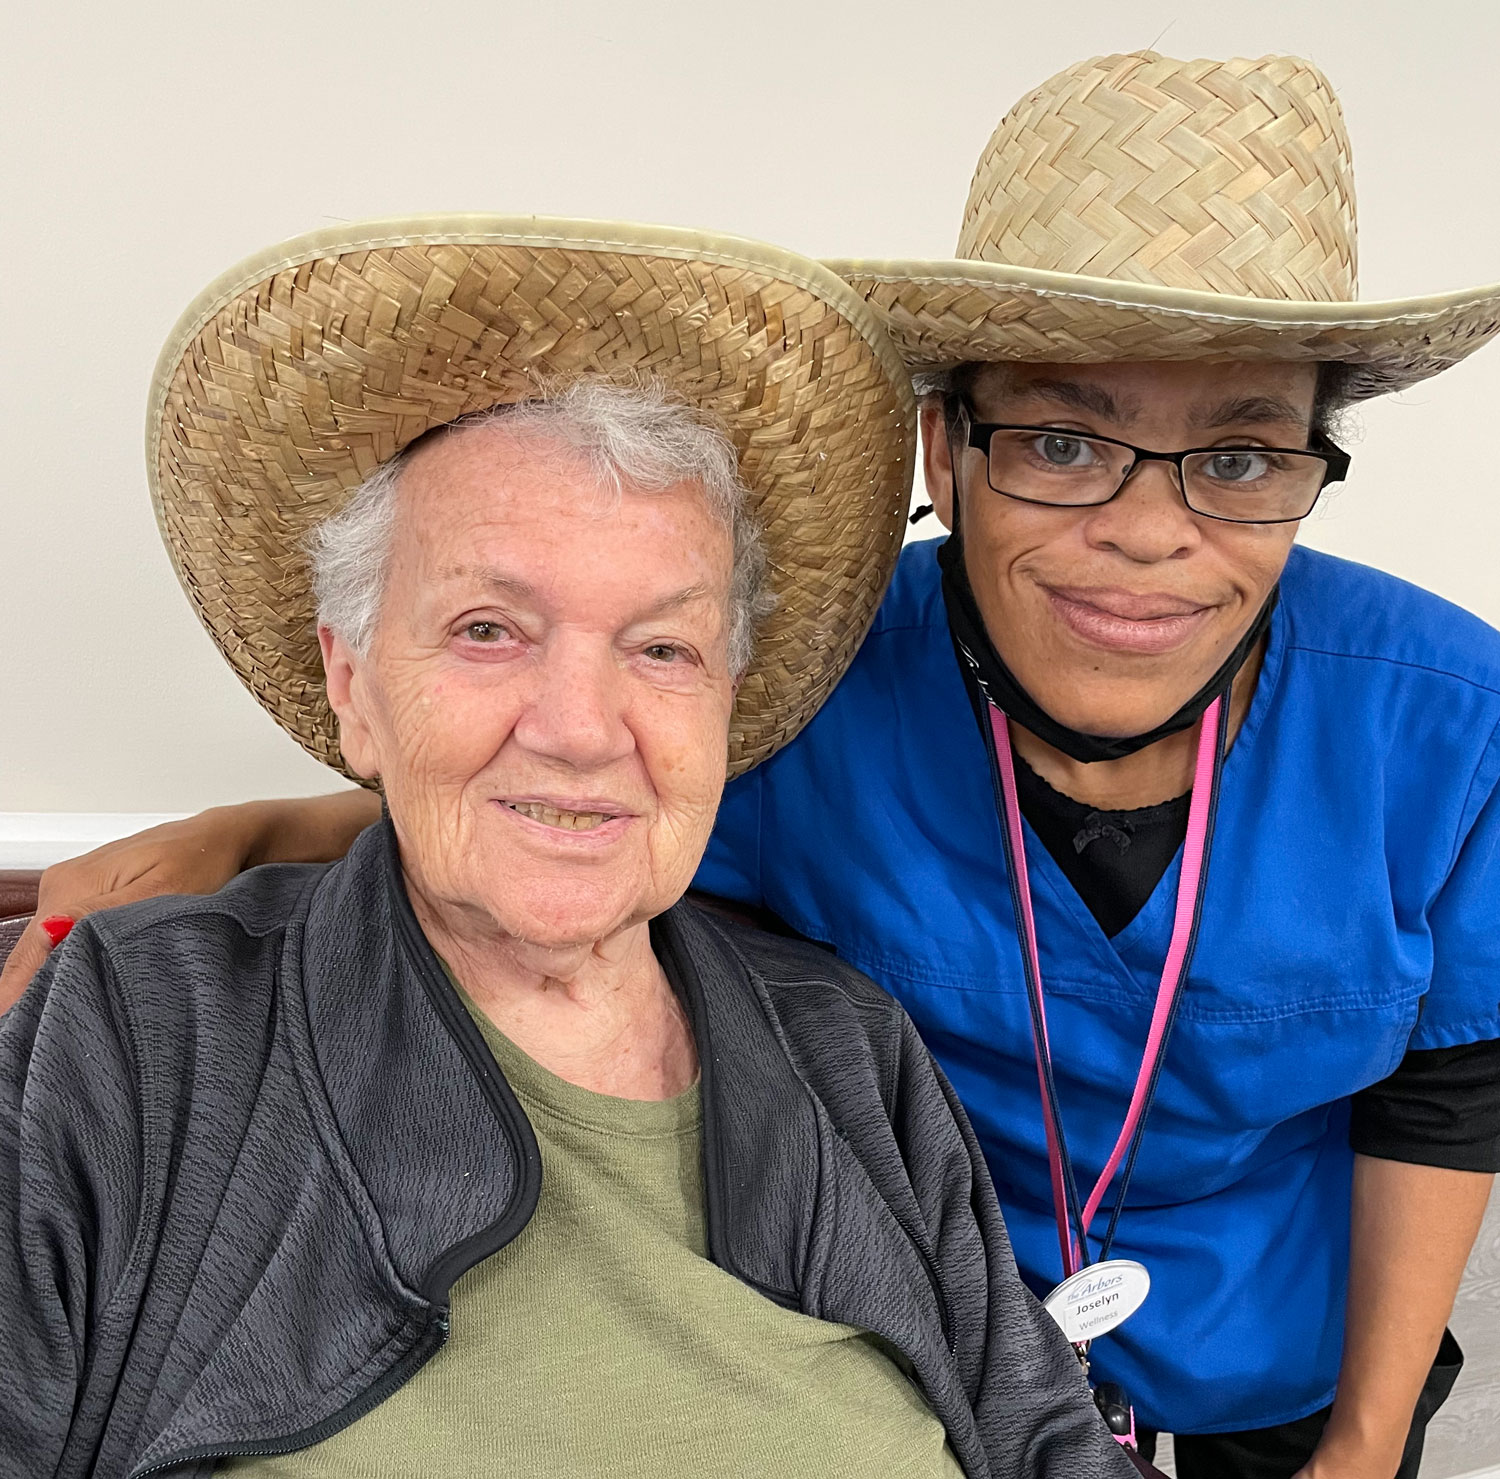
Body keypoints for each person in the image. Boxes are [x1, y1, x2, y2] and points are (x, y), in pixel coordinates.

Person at [8, 51, 1500, 1479]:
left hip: (1281, 1334)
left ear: (1311, 461)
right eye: (1062, 440)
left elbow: (1455, 1086)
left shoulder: (1448, 711)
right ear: (946, 446)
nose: (1149, 529)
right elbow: (549, 795)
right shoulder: (819, 685)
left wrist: (1366, 1444)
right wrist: (247, 828)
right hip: (964, 1293)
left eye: (1240, 457)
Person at [0, 219, 1136, 1479]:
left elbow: (1044, 1441)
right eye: (490, 629)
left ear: (725, 702)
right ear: (354, 682)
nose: (584, 730)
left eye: (661, 649)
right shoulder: (146, 1024)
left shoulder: (843, 1044)